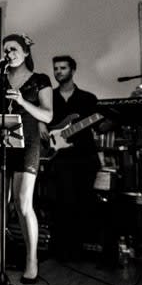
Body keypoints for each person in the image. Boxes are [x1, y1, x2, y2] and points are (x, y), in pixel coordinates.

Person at [0, 34, 54, 285]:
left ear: (25, 52)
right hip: (1, 139)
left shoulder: (40, 80)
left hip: (28, 143)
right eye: (5, 50)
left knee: (23, 203)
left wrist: (23, 101)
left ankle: (31, 259)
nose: (9, 53)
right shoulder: (1, 76)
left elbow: (47, 116)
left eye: (13, 49)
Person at [44, 55, 101, 261]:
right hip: (57, 159)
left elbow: (100, 126)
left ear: (73, 70)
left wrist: (115, 117)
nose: (58, 71)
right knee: (57, 204)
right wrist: (44, 132)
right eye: (56, 68)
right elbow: (39, 120)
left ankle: (76, 251)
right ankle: (58, 250)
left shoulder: (88, 99)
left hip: (83, 158)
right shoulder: (48, 97)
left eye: (63, 68)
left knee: (81, 203)